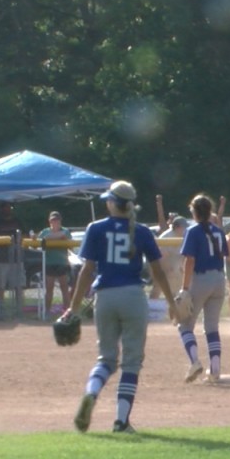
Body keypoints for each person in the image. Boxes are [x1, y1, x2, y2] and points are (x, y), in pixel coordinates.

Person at [69, 180, 179, 434]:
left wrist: (73, 308)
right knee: (131, 362)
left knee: (106, 359)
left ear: (112, 203)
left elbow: (86, 271)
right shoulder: (141, 231)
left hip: (105, 297)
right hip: (133, 297)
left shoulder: (95, 228)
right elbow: (158, 272)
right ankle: (121, 421)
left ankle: (92, 392)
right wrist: (171, 302)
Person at [177, 194, 229, 384]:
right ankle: (215, 370)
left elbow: (190, 260)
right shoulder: (219, 231)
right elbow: (223, 255)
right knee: (212, 327)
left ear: (194, 212)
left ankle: (194, 362)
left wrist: (184, 288)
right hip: (219, 279)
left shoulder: (193, 231)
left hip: (201, 279)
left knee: (185, 325)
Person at [0, 201, 26, 310]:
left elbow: (25, 234)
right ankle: (0, 307)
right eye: (5, 207)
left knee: (19, 284)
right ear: (1, 209)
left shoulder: (18, 221)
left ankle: (19, 308)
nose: (7, 209)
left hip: (17, 258)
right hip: (2, 258)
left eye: (9, 207)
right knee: (0, 284)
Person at [39, 211, 73, 313]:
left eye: (57, 220)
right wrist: (55, 236)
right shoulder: (45, 231)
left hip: (62, 263)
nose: (55, 222)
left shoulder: (65, 231)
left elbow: (68, 240)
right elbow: (40, 241)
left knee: (64, 288)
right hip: (49, 263)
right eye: (53, 220)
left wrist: (52, 237)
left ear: (60, 221)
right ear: (49, 221)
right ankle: (47, 312)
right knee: (49, 288)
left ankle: (67, 312)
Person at [150, 215, 188, 301]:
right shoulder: (166, 236)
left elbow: (184, 255)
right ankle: (151, 305)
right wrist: (166, 269)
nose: (185, 229)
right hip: (165, 267)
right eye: (184, 227)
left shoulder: (184, 236)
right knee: (157, 289)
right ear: (177, 227)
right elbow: (160, 256)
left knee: (176, 291)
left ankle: (175, 307)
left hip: (176, 267)